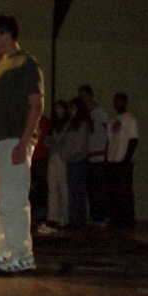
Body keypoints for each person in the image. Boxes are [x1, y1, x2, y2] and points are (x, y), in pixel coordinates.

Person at [0, 15, 44, 273]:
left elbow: (36, 104)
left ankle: (23, 255)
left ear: (6, 35)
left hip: (16, 138)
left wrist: (24, 142)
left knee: (13, 199)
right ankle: (4, 250)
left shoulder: (27, 63)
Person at [78, 84, 110, 225]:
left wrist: (107, 151)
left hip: (100, 155)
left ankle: (103, 216)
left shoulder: (100, 113)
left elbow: (109, 132)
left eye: (85, 96)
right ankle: (95, 215)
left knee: (100, 187)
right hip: (89, 155)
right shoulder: (84, 115)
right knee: (91, 188)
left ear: (90, 95)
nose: (83, 99)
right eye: (81, 97)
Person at [106, 92, 139, 229]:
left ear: (125, 102)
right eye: (115, 101)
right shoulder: (113, 120)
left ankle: (128, 220)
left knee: (124, 191)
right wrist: (107, 158)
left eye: (119, 101)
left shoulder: (130, 119)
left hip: (123, 160)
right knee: (113, 192)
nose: (117, 103)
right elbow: (110, 140)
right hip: (112, 160)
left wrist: (126, 158)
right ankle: (116, 219)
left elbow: (133, 140)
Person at [42, 100, 70, 231]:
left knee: (63, 187)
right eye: (56, 108)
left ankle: (64, 217)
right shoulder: (53, 125)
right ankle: (53, 216)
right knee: (52, 187)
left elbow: (66, 141)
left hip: (63, 157)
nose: (58, 111)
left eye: (60, 108)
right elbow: (47, 140)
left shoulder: (69, 124)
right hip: (53, 156)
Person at [63, 97, 90, 228]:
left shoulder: (82, 124)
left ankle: (79, 220)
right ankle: (74, 219)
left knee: (78, 192)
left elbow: (80, 145)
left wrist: (70, 155)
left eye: (72, 108)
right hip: (71, 160)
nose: (70, 111)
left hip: (78, 161)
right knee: (72, 191)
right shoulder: (70, 124)